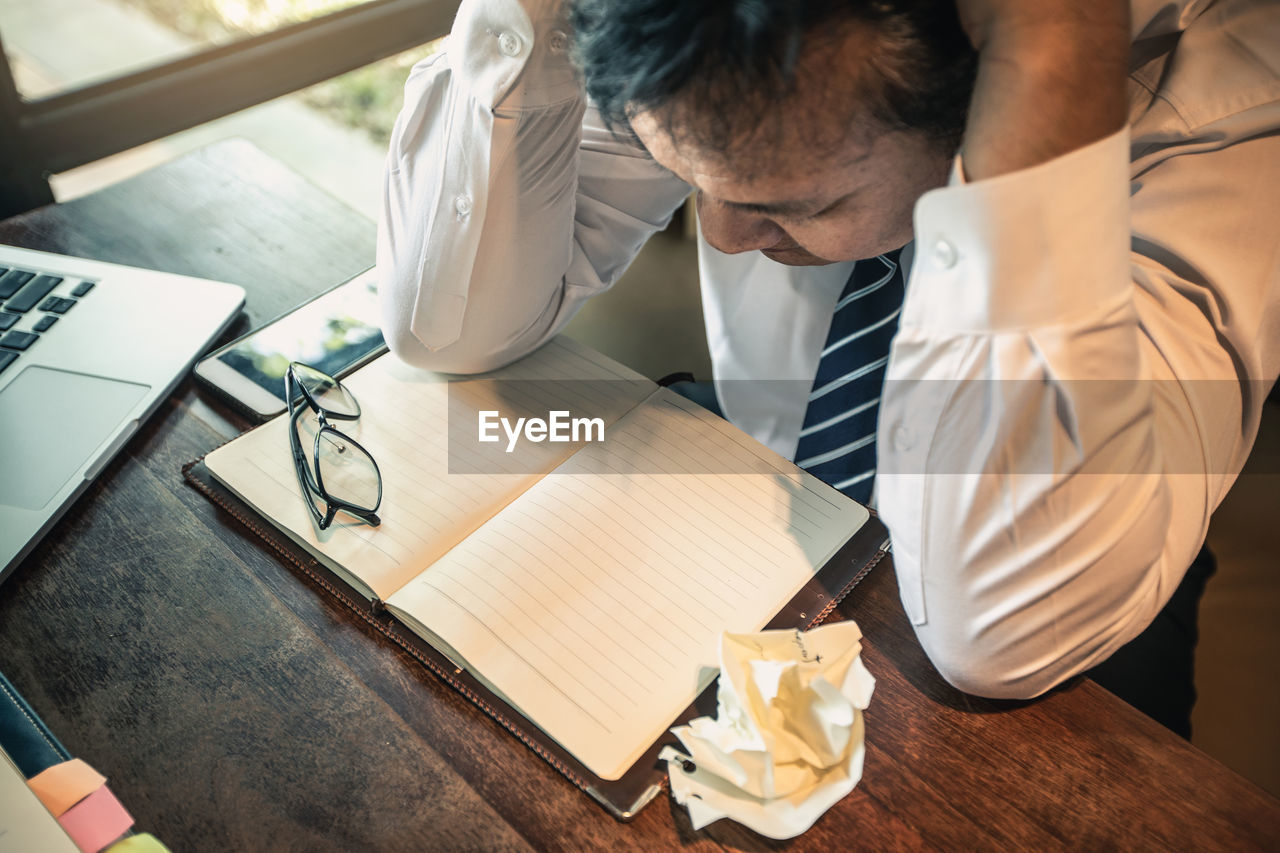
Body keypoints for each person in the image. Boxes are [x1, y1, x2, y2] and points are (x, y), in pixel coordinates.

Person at [377, 0, 1280, 736]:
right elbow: (454, 330)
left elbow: (998, 638)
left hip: (1074, 551)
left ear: (979, 89)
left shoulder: (1233, 114)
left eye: (801, 203)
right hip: (771, 477)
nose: (722, 236)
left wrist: (1049, 69)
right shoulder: (733, 37)